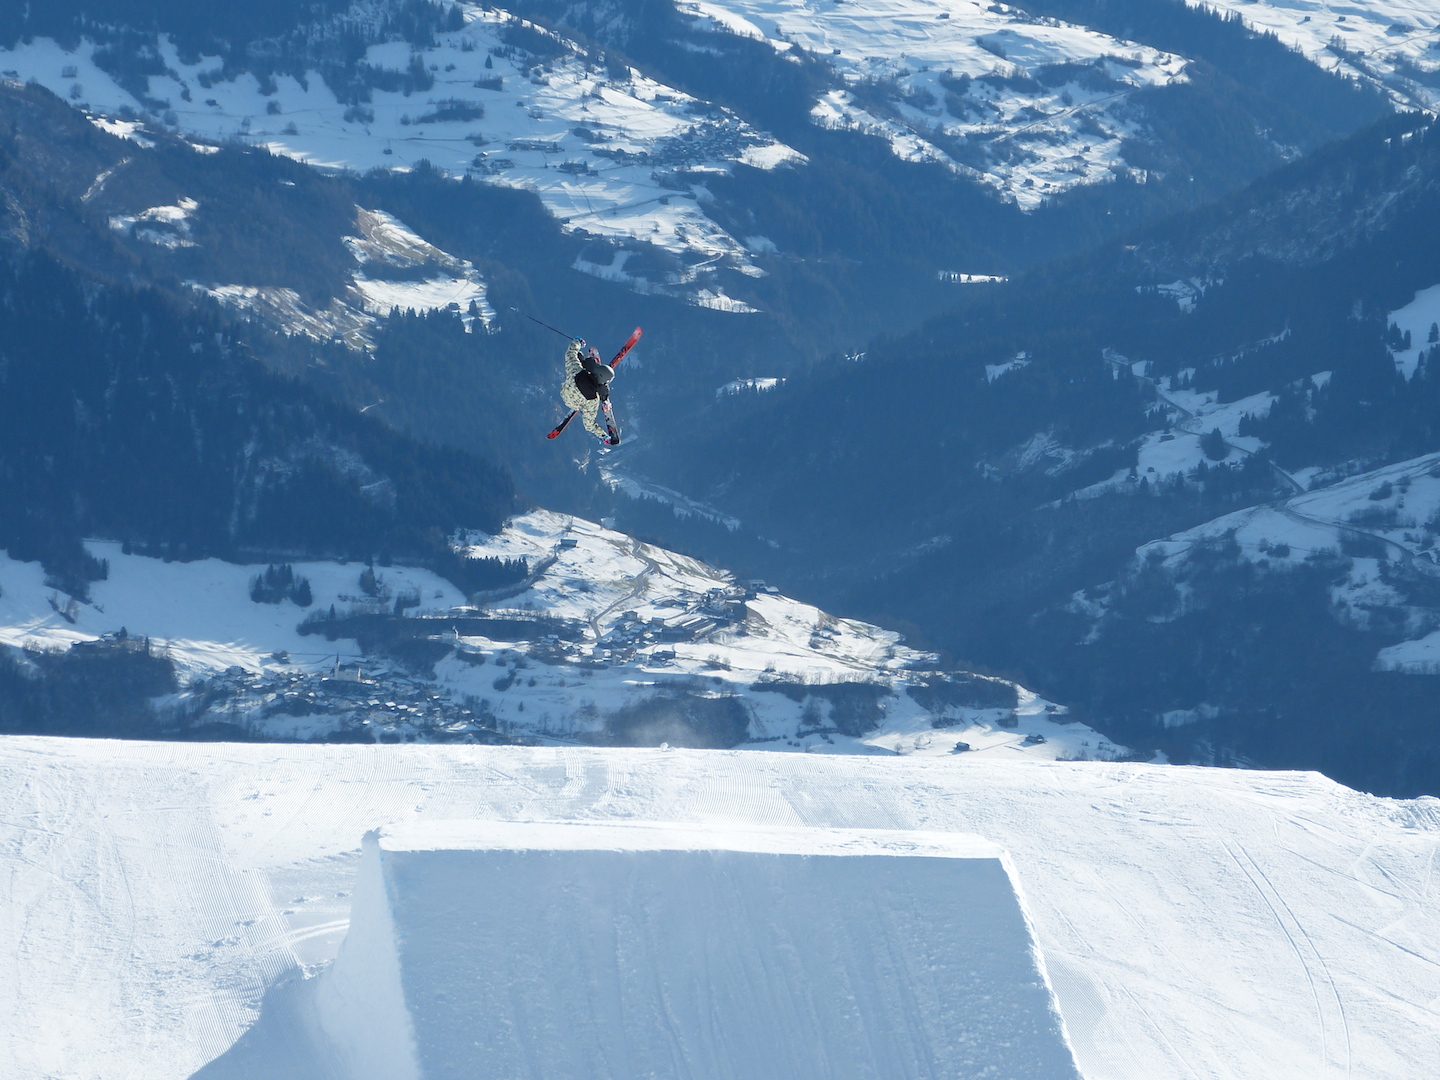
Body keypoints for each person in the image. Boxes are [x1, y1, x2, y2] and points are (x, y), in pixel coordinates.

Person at [560, 338, 615, 442]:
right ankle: (603, 395)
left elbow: (570, 353)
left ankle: (587, 363)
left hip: (564, 392)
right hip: (573, 404)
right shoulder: (593, 400)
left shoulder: (575, 370)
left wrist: (578, 342)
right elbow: (588, 424)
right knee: (599, 395)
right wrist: (603, 436)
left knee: (579, 357)